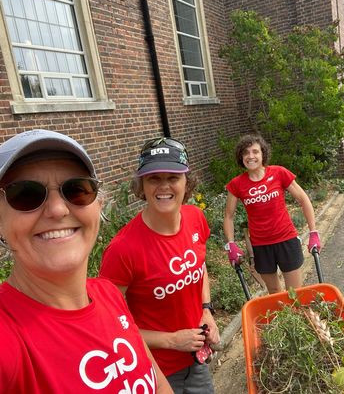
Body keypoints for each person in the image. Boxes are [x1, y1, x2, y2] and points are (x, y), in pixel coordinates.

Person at [0, 129, 172, 394]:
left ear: (98, 205)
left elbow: (157, 382)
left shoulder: (108, 294)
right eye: (25, 194)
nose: (58, 209)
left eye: (77, 190)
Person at [99, 137, 220, 394]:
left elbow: (200, 267)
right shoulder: (123, 250)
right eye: (154, 178)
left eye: (173, 177)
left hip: (194, 358)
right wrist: (172, 340)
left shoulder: (195, 218)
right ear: (141, 185)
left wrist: (206, 310)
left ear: (187, 182)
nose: (164, 186)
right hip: (154, 369)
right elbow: (108, 325)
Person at [223, 133, 321, 294]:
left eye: (255, 151)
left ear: (263, 154)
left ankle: (299, 317)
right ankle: (282, 320)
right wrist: (231, 244)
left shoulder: (279, 173)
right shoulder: (236, 184)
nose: (250, 156)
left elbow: (303, 200)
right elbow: (228, 216)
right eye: (246, 153)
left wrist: (314, 231)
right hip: (261, 246)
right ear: (241, 157)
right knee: (274, 292)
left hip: (286, 240)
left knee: (295, 292)